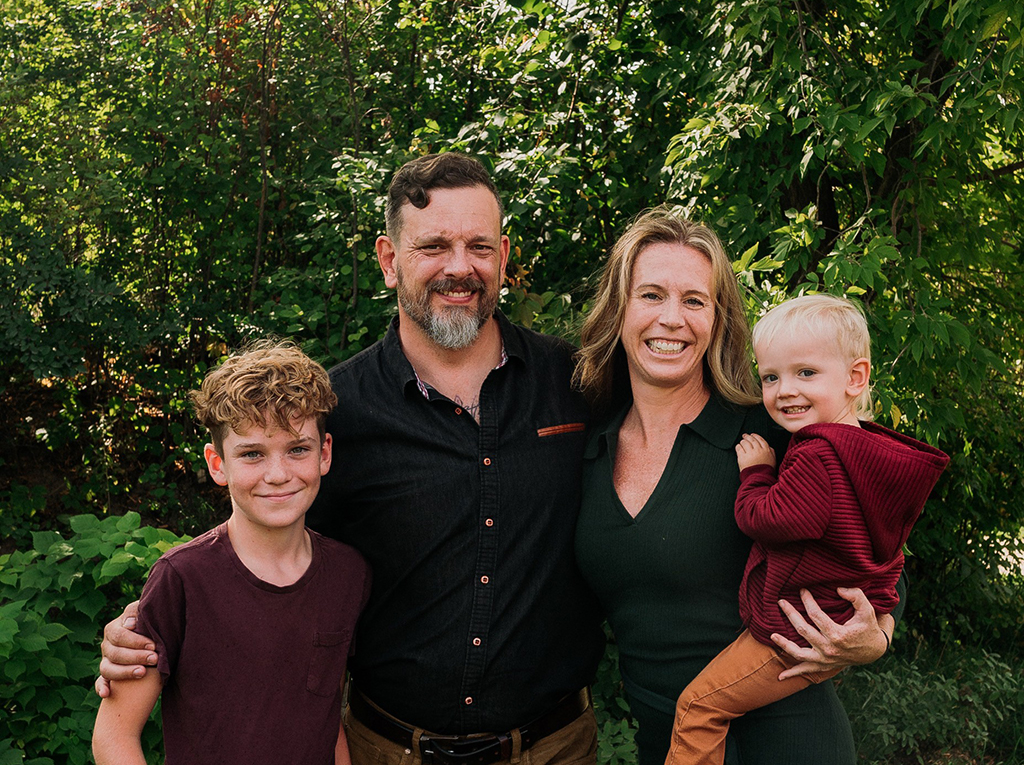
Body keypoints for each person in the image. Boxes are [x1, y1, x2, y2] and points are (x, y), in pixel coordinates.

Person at [96, 152, 606, 765]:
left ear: (502, 256)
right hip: (388, 750)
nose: (459, 268)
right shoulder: (339, 411)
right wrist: (154, 620)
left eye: (479, 247)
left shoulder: (576, 384)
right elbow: (267, 536)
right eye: (433, 247)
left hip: (555, 748)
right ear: (389, 261)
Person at [573, 209, 906, 765]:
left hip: (790, 742)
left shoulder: (772, 433)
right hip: (670, 747)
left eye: (695, 301)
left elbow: (878, 547)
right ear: (619, 308)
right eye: (651, 295)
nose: (672, 318)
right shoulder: (586, 444)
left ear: (718, 318)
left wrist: (876, 637)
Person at [663, 295, 949, 765]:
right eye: (771, 377)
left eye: (806, 373)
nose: (784, 390)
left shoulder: (817, 454)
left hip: (795, 631)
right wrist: (876, 616)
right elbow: (888, 550)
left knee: (698, 708)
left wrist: (757, 473)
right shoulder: (869, 454)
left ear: (856, 377)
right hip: (832, 623)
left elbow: (771, 520)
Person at [92, 340, 371, 765]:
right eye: (252, 454)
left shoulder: (349, 574)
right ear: (217, 463)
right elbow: (114, 738)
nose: (278, 475)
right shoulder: (182, 579)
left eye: (297, 449)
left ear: (324, 453)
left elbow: (325, 716)